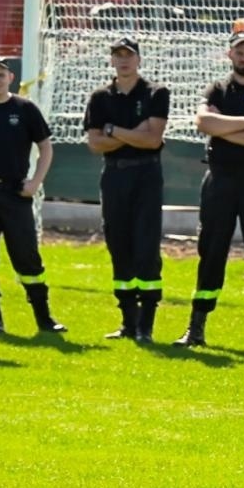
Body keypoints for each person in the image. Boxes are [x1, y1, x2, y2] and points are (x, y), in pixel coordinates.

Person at [178, 30, 244, 350]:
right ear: (230, 55)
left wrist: (224, 130)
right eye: (240, 51)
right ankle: (196, 328)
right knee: (211, 252)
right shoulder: (217, 89)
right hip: (220, 179)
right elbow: (203, 123)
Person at [0, 55, 65, 335]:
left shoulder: (25, 109)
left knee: (26, 255)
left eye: (0, 75)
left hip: (15, 192)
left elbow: (46, 147)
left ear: (10, 77)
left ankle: (44, 318)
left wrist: (35, 182)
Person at [83, 37, 170, 343]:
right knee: (118, 245)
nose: (123, 60)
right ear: (111, 61)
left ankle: (146, 324)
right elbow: (95, 143)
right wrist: (135, 133)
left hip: (146, 174)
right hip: (114, 175)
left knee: (146, 248)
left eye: (128, 55)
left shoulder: (155, 93)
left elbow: (153, 140)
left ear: (138, 59)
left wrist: (113, 130)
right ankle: (127, 322)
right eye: (118, 55)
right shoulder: (100, 97)